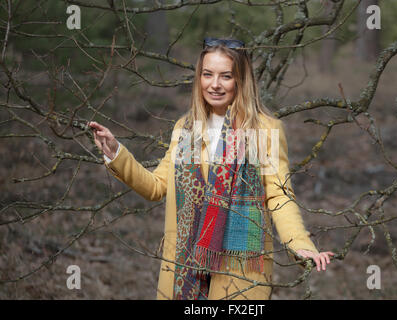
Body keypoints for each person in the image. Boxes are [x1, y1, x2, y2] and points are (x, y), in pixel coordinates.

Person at [88, 37, 334, 300]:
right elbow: (157, 186)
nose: (214, 84)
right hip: (185, 262)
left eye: (226, 76)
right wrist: (115, 153)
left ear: (240, 80)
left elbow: (279, 195)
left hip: (240, 267)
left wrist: (300, 245)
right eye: (207, 74)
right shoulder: (187, 129)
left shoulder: (263, 130)